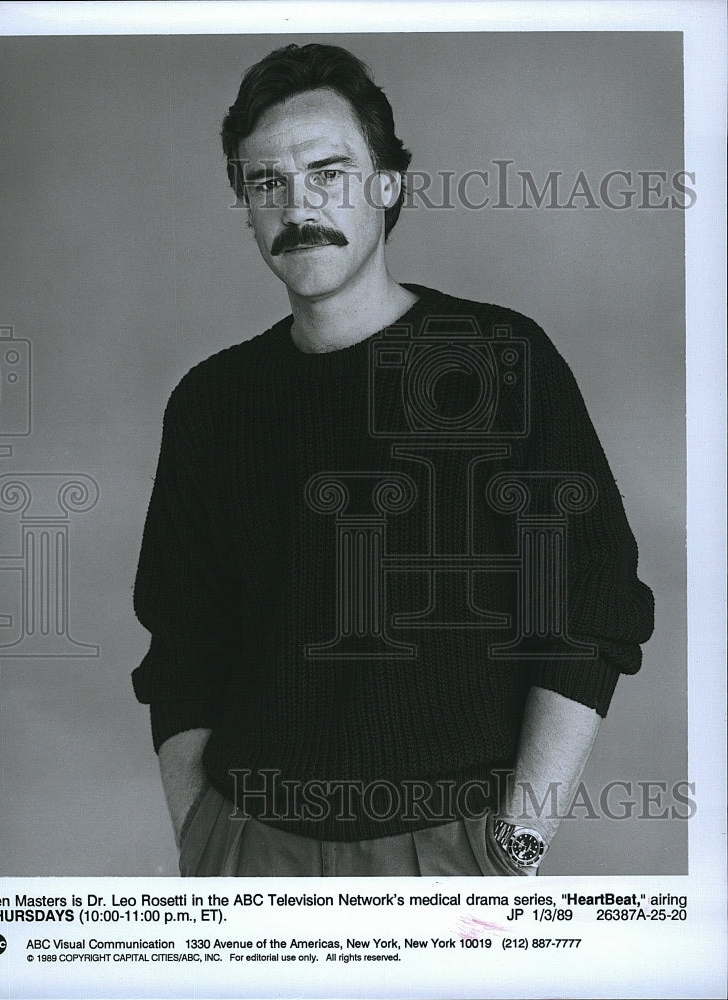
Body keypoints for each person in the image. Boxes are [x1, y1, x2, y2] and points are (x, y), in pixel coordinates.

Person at [132, 42, 654, 877]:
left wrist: (513, 848)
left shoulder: (498, 358)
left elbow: (587, 614)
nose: (297, 206)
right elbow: (184, 647)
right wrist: (202, 836)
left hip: (451, 848)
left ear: (388, 184)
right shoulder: (210, 403)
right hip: (247, 845)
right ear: (246, 203)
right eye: (267, 183)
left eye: (328, 173)